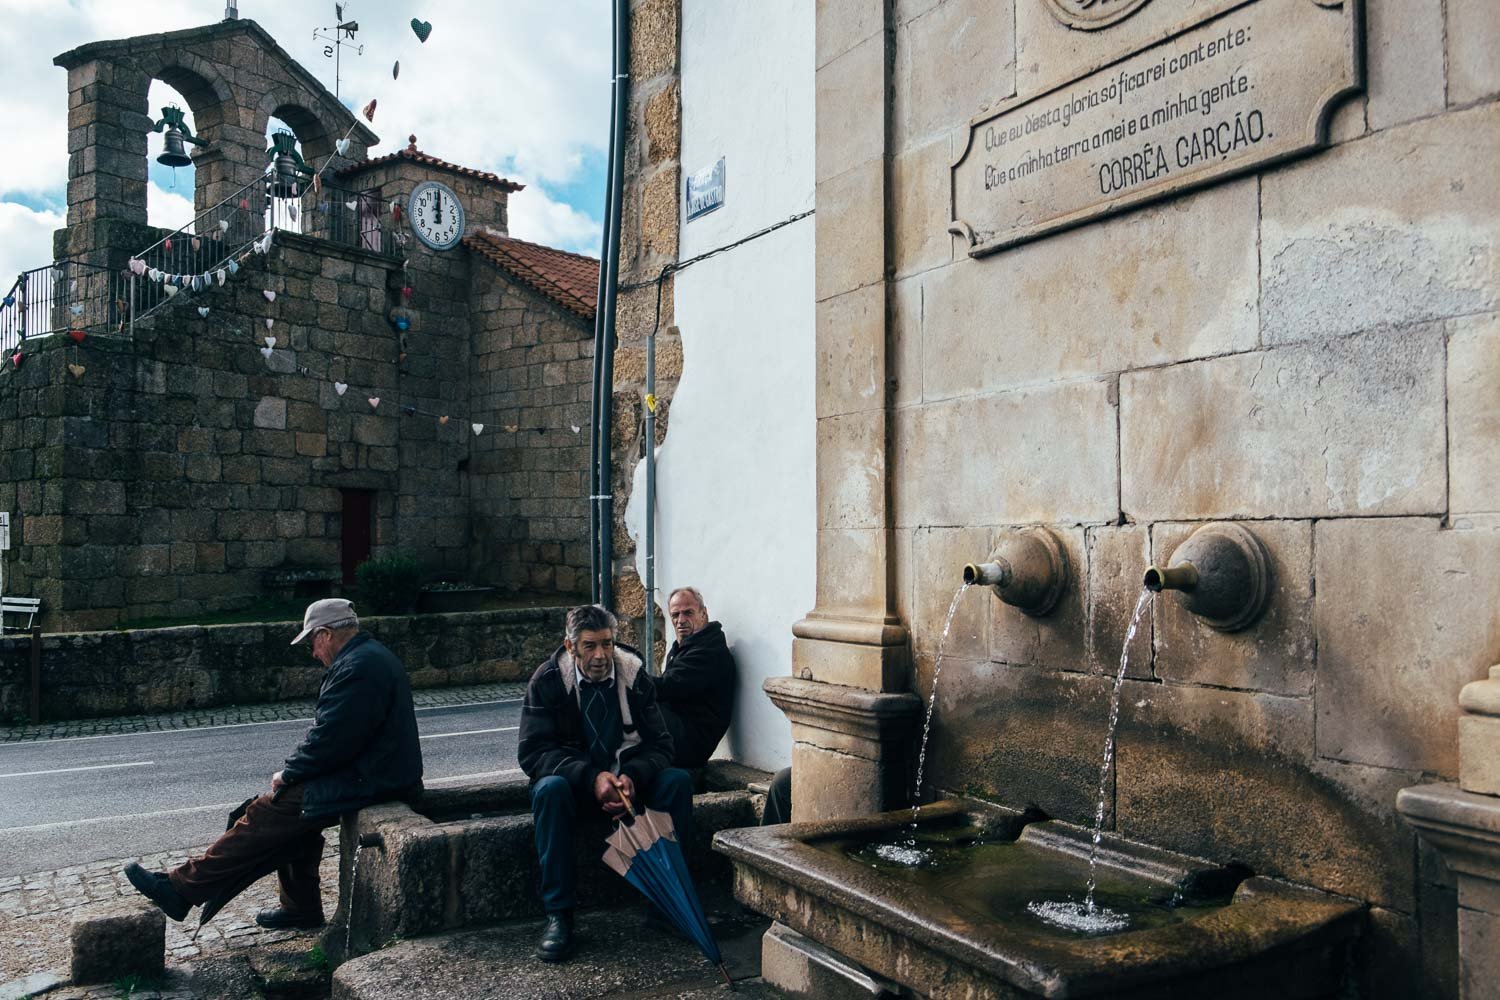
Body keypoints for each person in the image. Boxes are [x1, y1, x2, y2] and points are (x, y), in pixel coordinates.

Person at [123, 598, 423, 929]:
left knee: (267, 810)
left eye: (311, 642)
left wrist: (289, 774)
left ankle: (179, 888)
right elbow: (340, 737)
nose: (312, 652)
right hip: (376, 774)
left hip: (373, 779)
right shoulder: (368, 658)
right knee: (289, 818)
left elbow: (331, 739)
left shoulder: (356, 668)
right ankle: (300, 908)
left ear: (325, 634)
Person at [518, 604, 692, 963]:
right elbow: (532, 753)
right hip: (576, 787)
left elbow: (662, 745)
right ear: (571, 647)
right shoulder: (548, 680)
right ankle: (559, 916)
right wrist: (590, 777)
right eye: (590, 646)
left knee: (676, 782)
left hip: (627, 785)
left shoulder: (633, 675)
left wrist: (632, 776)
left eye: (608, 644)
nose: (601, 656)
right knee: (548, 790)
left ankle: (666, 905)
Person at [656, 587, 737, 769]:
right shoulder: (687, 646)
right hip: (682, 734)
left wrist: (626, 673)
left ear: (704, 613)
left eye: (688, 613)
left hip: (692, 744)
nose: (681, 620)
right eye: (675, 615)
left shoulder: (709, 652)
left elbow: (667, 687)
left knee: (639, 703)